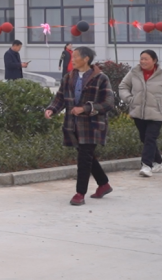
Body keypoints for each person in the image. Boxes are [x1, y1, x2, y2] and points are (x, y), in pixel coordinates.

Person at [44, 46, 114, 205]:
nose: (72, 59)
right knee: (87, 156)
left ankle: (80, 194)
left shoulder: (101, 78)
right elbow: (60, 98)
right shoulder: (68, 77)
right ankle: (103, 184)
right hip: (72, 125)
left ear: (86, 59)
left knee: (83, 159)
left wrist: (85, 108)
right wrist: (51, 109)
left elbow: (108, 103)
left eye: (75, 56)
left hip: (92, 126)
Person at [118, 50, 162, 177]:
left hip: (158, 113)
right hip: (138, 112)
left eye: (146, 59)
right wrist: (129, 99)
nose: (143, 61)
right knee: (145, 138)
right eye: (141, 58)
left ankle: (146, 165)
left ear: (154, 61)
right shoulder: (134, 73)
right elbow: (123, 86)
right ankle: (158, 162)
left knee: (150, 138)